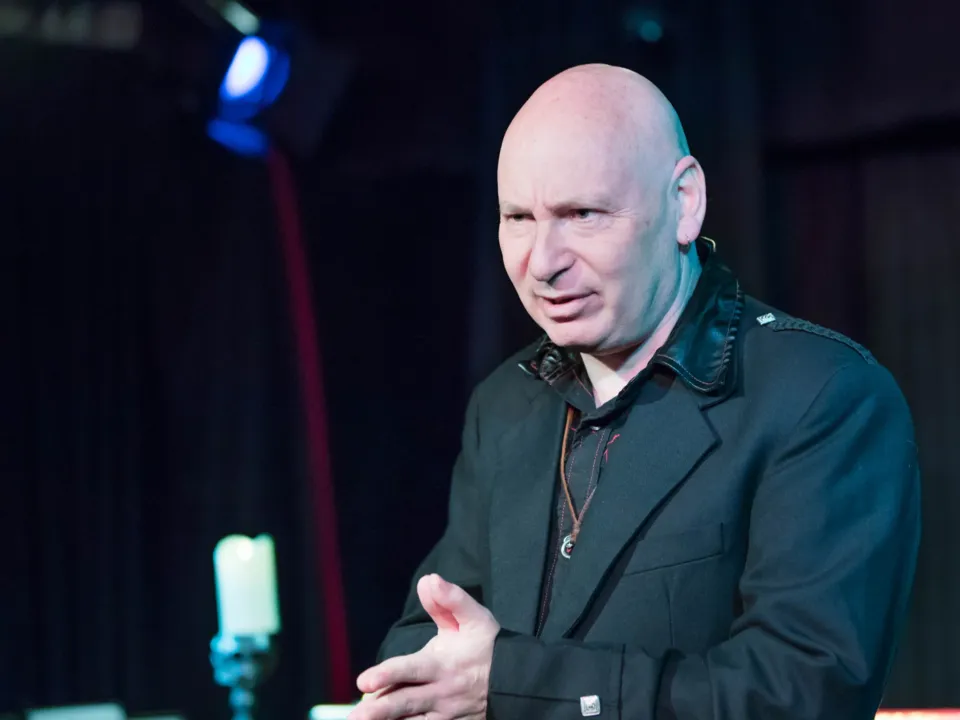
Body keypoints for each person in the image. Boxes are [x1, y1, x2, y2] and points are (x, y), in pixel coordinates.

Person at [348, 64, 921, 720]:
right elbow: (427, 640)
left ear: (684, 202)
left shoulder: (820, 394)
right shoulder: (506, 402)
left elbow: (802, 693)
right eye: (519, 218)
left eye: (582, 215)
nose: (543, 262)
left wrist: (513, 683)